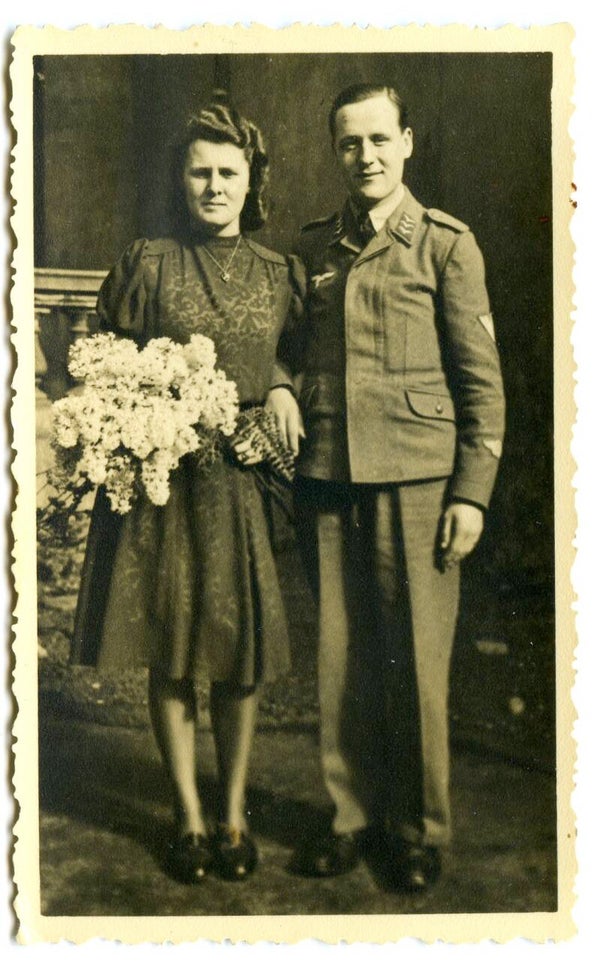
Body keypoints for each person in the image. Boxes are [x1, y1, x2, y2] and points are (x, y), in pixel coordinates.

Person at [268, 83, 505, 891]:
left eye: (379, 139)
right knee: (338, 659)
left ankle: (417, 828)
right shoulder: (312, 249)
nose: (364, 156)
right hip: (329, 475)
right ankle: (348, 816)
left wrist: (471, 491)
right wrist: (278, 385)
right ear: (335, 152)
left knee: (414, 665)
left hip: (421, 483)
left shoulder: (444, 243)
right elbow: (285, 348)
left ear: (407, 142)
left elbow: (483, 383)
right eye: (348, 143)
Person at [71, 98, 301, 884]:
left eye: (227, 173)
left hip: (238, 484)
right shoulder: (148, 262)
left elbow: (301, 359)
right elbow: (95, 351)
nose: (213, 186)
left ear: (251, 180)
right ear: (182, 178)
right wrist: (139, 396)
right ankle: (189, 818)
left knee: (238, 661)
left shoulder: (279, 274)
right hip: (162, 487)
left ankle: (233, 813)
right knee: (170, 655)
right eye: (199, 171)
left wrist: (282, 388)